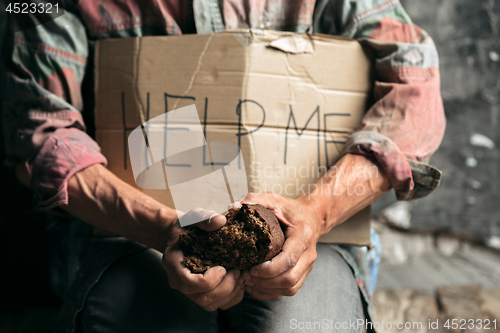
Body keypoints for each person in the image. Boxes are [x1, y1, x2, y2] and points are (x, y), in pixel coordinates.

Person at [2, 0, 445, 332]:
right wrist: (162, 229)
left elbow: (415, 80)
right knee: (140, 319)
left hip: (316, 236)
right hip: (129, 232)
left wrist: (314, 213)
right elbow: (42, 134)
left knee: (305, 324)